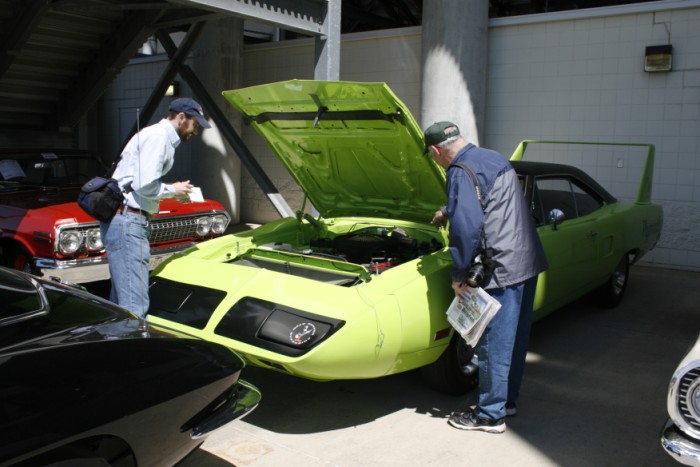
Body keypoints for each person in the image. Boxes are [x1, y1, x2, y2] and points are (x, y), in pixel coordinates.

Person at [424, 121, 548, 434]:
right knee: (514, 341)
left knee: (493, 344)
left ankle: (489, 416)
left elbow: (467, 228)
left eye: (432, 156)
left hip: (500, 269)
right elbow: (487, 201)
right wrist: (446, 209)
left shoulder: (458, 170)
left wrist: (459, 275)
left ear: (436, 151)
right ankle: (506, 401)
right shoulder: (492, 158)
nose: (435, 161)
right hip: (525, 260)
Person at [100, 97, 211, 318]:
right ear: (181, 118)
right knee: (134, 306)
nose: (196, 130)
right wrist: (172, 189)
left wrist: (172, 192)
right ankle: (133, 349)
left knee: (122, 301)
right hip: (128, 222)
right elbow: (144, 184)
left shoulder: (156, 136)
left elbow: (139, 184)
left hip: (124, 219)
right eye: (195, 123)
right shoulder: (158, 138)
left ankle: (114, 343)